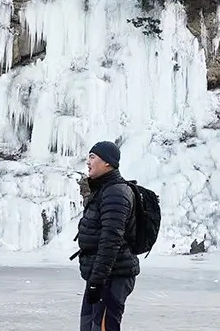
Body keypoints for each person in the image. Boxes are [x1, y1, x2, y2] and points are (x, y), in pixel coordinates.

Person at [77, 141, 139, 331]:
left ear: (107, 163)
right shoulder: (104, 190)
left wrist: (97, 281)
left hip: (112, 277)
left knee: (103, 327)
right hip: (101, 275)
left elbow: (110, 241)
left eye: (93, 157)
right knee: (89, 326)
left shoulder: (116, 193)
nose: (88, 162)